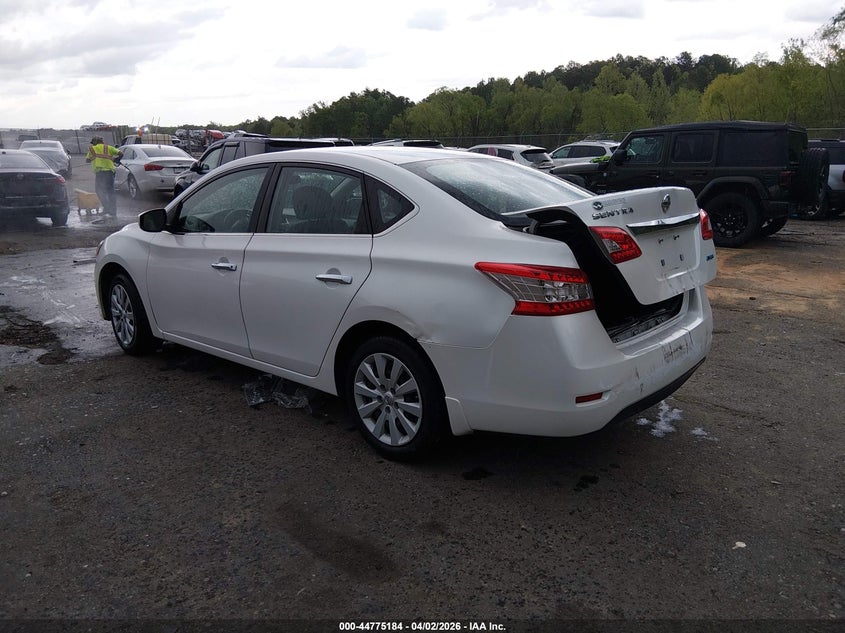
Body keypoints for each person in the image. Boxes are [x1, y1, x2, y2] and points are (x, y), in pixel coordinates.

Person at [85, 136, 121, 216]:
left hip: (100, 173)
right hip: (110, 172)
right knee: (110, 192)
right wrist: (116, 160)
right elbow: (121, 153)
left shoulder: (92, 148)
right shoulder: (108, 147)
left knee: (99, 191)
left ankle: (107, 208)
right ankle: (113, 211)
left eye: (93, 143)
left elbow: (87, 160)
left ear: (95, 142)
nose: (92, 144)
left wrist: (93, 159)